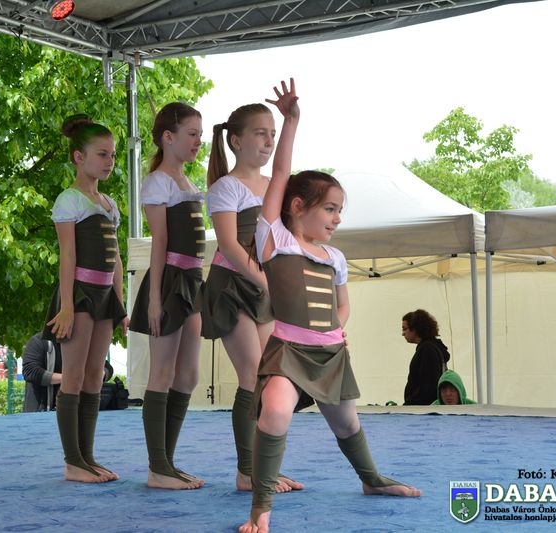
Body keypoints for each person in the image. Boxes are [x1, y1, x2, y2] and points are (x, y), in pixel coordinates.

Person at [239, 79, 421, 533]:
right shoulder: (275, 240)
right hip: (288, 353)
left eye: (340, 210)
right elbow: (281, 173)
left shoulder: (335, 257)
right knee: (275, 411)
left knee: (347, 425)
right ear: (298, 206)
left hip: (331, 354)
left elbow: (343, 306)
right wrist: (291, 120)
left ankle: (372, 479)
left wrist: (335, 332)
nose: (337, 218)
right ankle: (261, 508)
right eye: (330, 209)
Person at [202, 103, 303, 494]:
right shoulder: (225, 187)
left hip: (262, 286)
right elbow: (228, 244)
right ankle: (248, 473)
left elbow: (283, 168)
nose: (268, 141)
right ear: (235, 141)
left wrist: (292, 121)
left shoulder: (274, 184)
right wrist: (265, 281)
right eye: (261, 133)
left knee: (271, 379)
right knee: (251, 376)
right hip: (232, 285)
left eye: (272, 134)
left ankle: (264, 467)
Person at [43, 114, 129, 483]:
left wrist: (121, 304)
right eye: (102, 154)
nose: (110, 161)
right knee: (74, 375)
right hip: (79, 295)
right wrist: (66, 306)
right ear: (79, 157)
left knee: (96, 374)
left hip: (105, 297)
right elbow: (68, 256)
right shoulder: (70, 200)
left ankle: (88, 456)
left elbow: (117, 259)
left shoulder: (109, 203)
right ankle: (72, 461)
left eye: (113, 154)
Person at [129, 102, 206, 490]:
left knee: (188, 375)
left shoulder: (186, 180)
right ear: (168, 137)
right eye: (192, 134)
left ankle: (168, 463)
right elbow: (159, 242)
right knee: (161, 373)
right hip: (170, 280)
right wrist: (155, 298)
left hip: (192, 280)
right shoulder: (158, 182)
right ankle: (158, 468)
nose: (198, 141)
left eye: (200, 134)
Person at [402, 309, 450, 405]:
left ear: (415, 329)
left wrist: (410, 403)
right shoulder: (432, 348)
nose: (403, 333)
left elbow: (428, 386)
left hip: (423, 410)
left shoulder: (427, 349)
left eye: (405, 328)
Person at [21, 333, 62, 412]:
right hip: (38, 414)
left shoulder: (80, 345)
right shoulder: (38, 341)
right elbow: (30, 371)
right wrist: (67, 379)